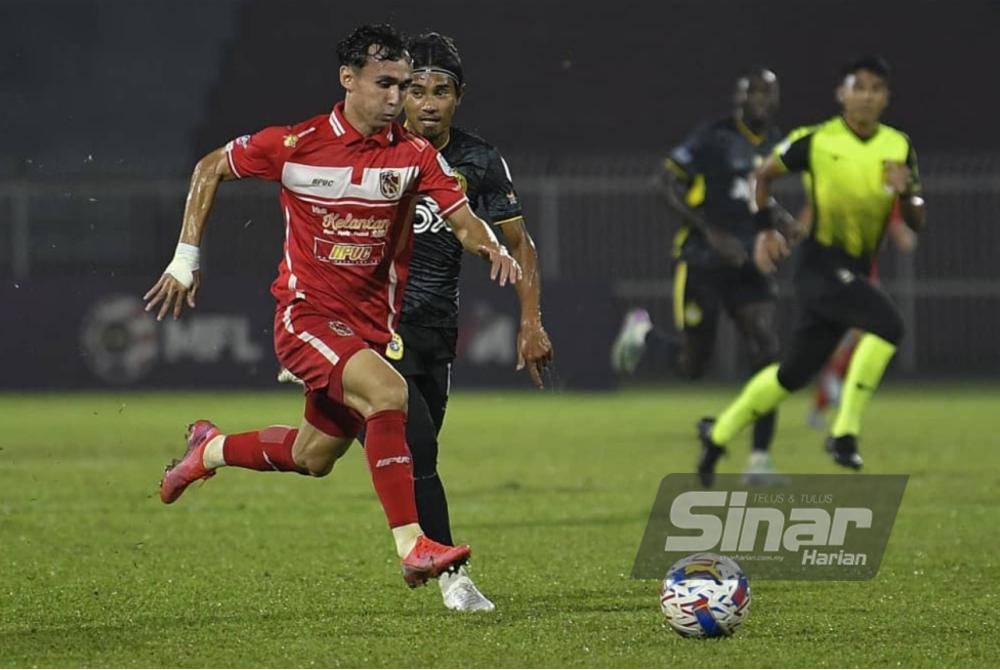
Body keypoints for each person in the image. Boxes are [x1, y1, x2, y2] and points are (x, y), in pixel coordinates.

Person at [144, 24, 521, 588]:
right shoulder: (296, 146)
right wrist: (185, 256)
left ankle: (208, 450)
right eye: (385, 85)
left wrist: (490, 246)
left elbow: (463, 218)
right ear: (348, 79)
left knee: (313, 455)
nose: (397, 99)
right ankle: (413, 545)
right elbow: (210, 168)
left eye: (403, 86)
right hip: (306, 318)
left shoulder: (414, 157)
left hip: (367, 329)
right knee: (389, 393)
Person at [695, 55, 926, 485]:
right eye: (859, 87)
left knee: (791, 375)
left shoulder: (898, 146)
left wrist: (910, 192)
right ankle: (844, 434)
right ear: (842, 94)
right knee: (889, 324)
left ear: (886, 97)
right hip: (818, 267)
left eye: (877, 89)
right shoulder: (817, 140)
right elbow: (761, 177)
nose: (868, 96)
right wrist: (765, 231)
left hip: (850, 272)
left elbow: (916, 219)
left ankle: (717, 435)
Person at [391, 32, 552, 610]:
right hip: (379, 326)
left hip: (438, 326)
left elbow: (521, 244)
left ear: (459, 98)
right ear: (399, 93)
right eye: (416, 90)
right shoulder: (373, 150)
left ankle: (214, 451)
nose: (428, 103)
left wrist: (530, 321)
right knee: (419, 446)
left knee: (317, 454)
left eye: (442, 91)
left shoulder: (478, 159)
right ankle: (452, 576)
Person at [611, 68, 788, 482]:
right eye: (754, 92)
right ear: (739, 98)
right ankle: (644, 335)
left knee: (766, 348)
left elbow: (756, 194)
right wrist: (710, 231)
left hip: (748, 264)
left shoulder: (777, 143)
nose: (761, 99)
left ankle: (759, 458)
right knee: (694, 366)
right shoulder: (713, 136)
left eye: (769, 92)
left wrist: (782, 221)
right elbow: (664, 180)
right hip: (703, 261)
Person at [807, 201, 917, 428]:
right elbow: (904, 239)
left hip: (838, 273)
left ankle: (824, 399)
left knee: (851, 337)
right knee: (862, 333)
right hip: (854, 275)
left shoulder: (844, 185)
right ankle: (832, 386)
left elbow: (807, 217)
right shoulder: (881, 193)